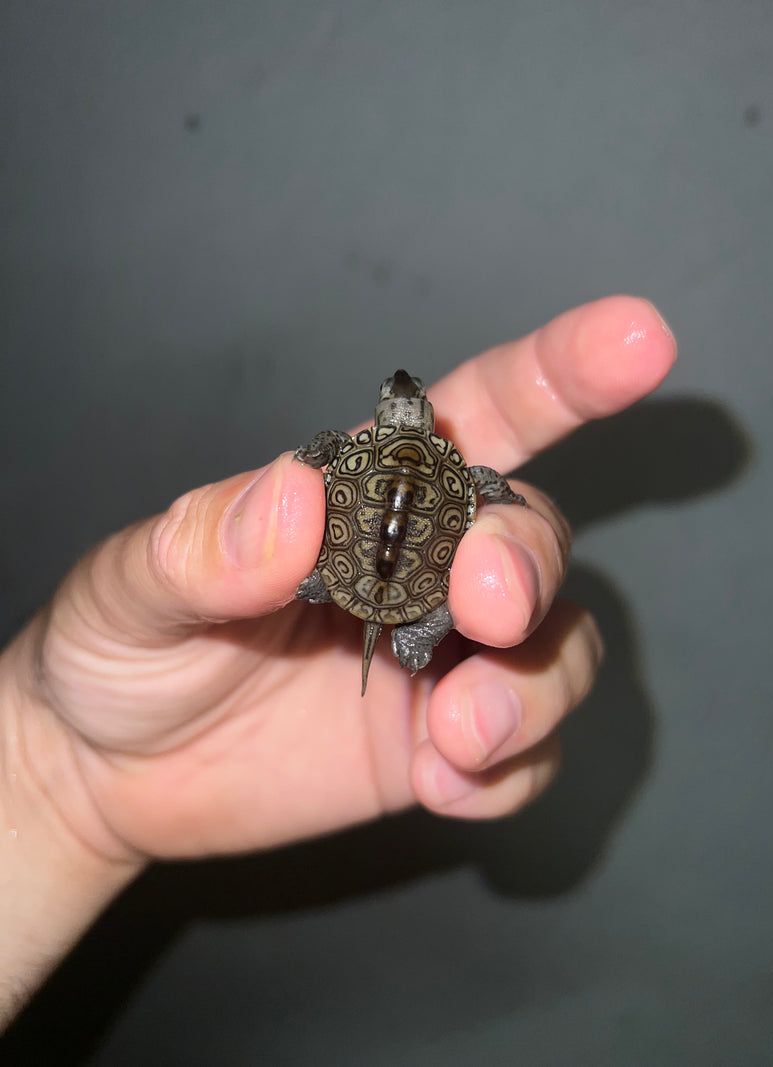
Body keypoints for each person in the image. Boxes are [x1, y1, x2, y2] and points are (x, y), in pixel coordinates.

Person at [0, 296, 675, 1028]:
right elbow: (479, 486)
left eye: (398, 403)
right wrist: (56, 782)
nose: (399, 401)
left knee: (476, 589)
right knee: (429, 598)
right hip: (397, 587)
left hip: (342, 576)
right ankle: (411, 633)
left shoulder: (371, 459)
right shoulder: (454, 470)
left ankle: (397, 626)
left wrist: (61, 784)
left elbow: (345, 458)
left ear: (390, 420)